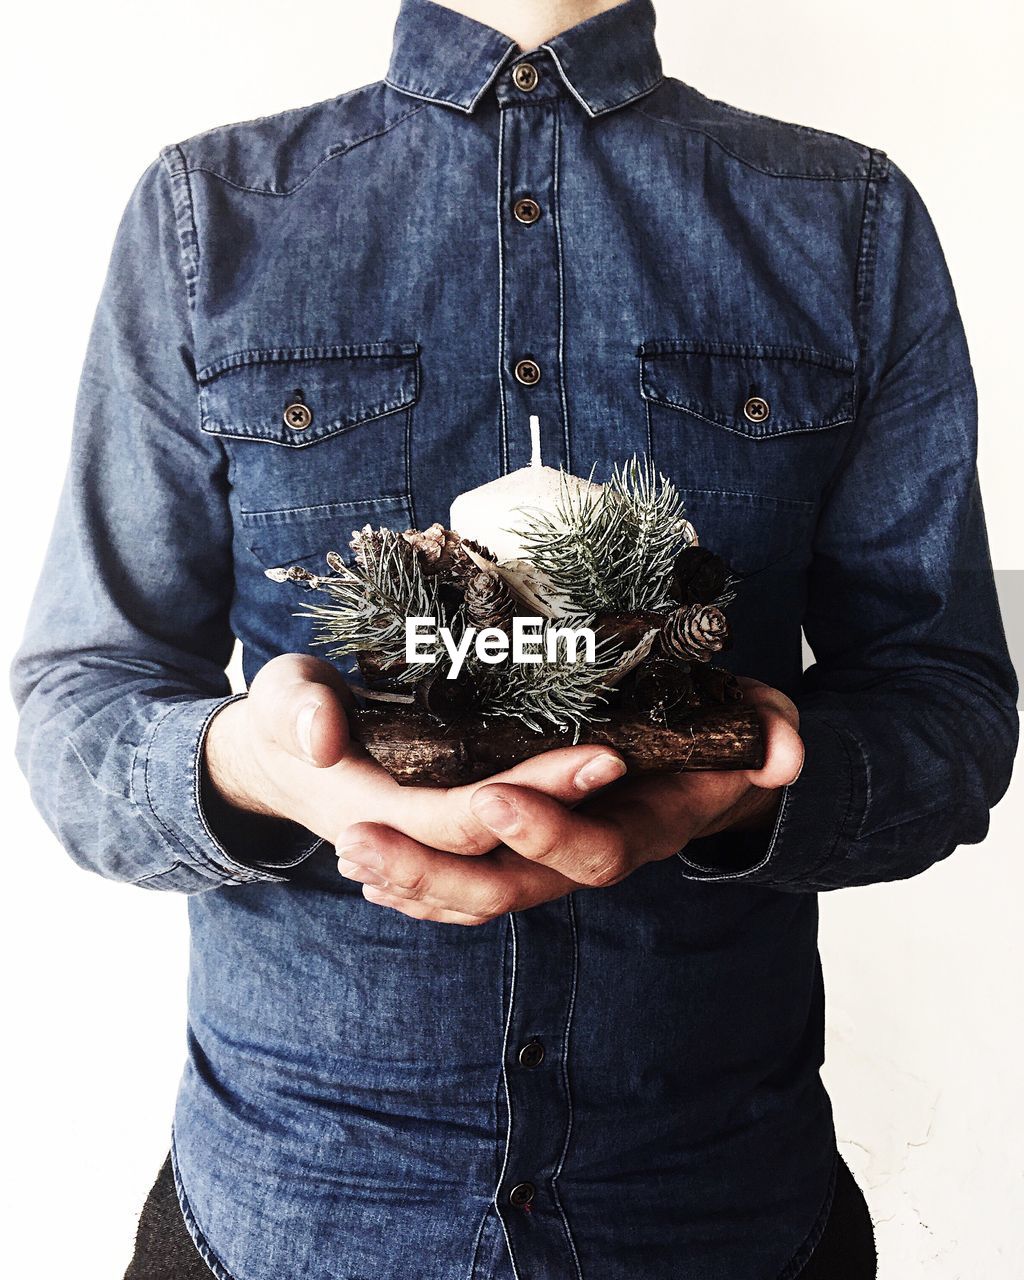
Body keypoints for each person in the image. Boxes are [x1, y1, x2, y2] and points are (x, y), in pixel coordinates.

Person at [10, 0, 1018, 1276]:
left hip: (712, 1206)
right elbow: (82, 691)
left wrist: (739, 793)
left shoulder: (843, 218)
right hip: (298, 1204)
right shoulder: (211, 213)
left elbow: (947, 699)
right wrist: (255, 769)